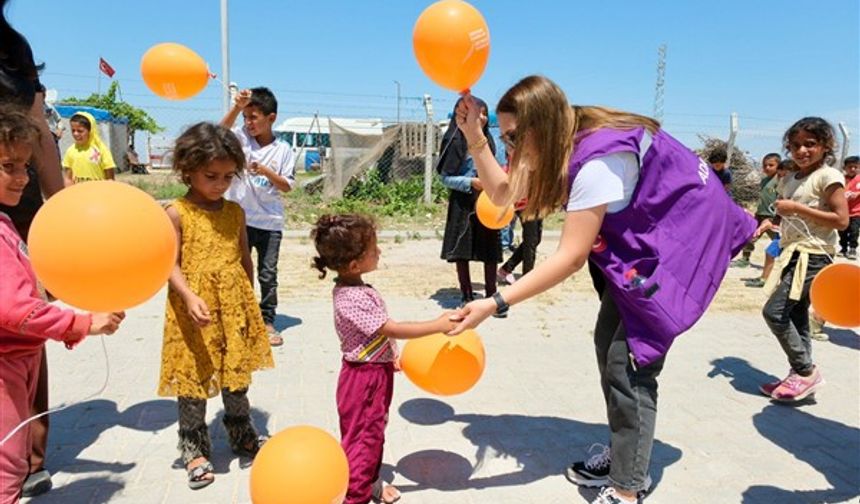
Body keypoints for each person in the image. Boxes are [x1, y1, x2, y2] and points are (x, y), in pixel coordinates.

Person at [449, 76, 755, 504]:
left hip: (677, 245)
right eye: (506, 136)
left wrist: (495, 301)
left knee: (631, 365)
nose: (512, 147)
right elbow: (503, 193)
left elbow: (570, 257)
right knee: (608, 348)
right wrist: (474, 137)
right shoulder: (563, 138)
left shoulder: (598, 160)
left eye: (516, 136)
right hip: (640, 251)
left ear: (545, 126)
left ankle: (628, 487)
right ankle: (624, 455)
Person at [0, 106, 125, 504]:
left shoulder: (3, 222)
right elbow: (15, 310)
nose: (22, 177)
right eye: (8, 166)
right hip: (4, 366)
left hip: (21, 360)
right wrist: (84, 323)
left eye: (25, 166)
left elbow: (23, 288)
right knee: (6, 464)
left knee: (14, 450)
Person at [158, 122, 274, 490]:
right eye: (211, 176)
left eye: (227, 176)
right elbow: (167, 262)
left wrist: (249, 301)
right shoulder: (176, 213)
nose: (220, 183)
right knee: (194, 375)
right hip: (192, 308)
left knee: (235, 374)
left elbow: (244, 259)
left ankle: (242, 434)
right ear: (187, 169)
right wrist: (190, 296)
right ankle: (193, 447)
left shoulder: (235, 212)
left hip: (233, 305)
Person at [311, 213, 456, 504]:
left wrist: (391, 355)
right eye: (374, 249)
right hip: (363, 379)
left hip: (374, 373)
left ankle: (371, 482)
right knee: (363, 438)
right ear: (354, 264)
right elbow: (392, 327)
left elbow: (378, 330)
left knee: (373, 432)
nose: (380, 252)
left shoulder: (358, 288)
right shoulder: (352, 298)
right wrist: (437, 325)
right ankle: (355, 496)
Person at [0, 2, 68, 496]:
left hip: (14, 201)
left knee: (22, 327)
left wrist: (58, 210)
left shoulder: (13, 50)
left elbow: (39, 130)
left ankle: (25, 457)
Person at [755, 117, 848, 402]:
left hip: (814, 255)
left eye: (810, 144)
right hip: (791, 253)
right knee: (795, 316)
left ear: (825, 146)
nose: (802, 151)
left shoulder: (828, 176)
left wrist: (796, 208)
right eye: (795, 145)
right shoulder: (791, 178)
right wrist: (770, 224)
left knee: (775, 312)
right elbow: (789, 217)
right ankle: (799, 376)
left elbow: (841, 220)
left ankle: (806, 371)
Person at [220, 87, 295, 346]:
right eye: (246, 117)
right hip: (239, 220)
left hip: (270, 223)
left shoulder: (284, 149)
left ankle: (267, 320)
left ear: (271, 118)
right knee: (238, 271)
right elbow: (219, 133)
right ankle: (240, 317)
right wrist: (236, 107)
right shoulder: (240, 138)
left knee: (267, 274)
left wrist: (265, 171)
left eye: (254, 117)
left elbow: (286, 186)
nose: (248, 123)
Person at [437, 96, 503, 308]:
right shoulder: (452, 140)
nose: (480, 117)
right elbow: (444, 177)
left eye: (484, 113)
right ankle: (466, 293)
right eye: (475, 113)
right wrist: (470, 183)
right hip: (462, 202)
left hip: (487, 201)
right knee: (461, 249)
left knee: (490, 247)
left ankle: (492, 293)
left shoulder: (490, 140)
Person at [497, 151, 543, 285]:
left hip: (535, 200)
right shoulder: (520, 153)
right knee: (531, 240)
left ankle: (506, 269)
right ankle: (528, 278)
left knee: (535, 239)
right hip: (525, 201)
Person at [745, 158, 791, 286]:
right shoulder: (781, 188)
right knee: (771, 251)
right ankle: (765, 279)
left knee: (776, 252)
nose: (782, 179)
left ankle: (769, 280)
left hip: (790, 230)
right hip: (777, 224)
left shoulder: (792, 190)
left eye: (784, 176)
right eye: (781, 176)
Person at [735, 153, 781, 270]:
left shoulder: (780, 181)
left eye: (771, 165)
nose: (767, 168)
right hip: (760, 214)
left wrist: (776, 215)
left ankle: (785, 261)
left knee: (778, 241)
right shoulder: (764, 181)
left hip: (772, 217)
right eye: (765, 165)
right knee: (751, 235)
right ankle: (745, 258)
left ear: (778, 166)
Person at [61, 111, 116, 184]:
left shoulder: (101, 150)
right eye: (73, 130)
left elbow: (110, 179)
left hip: (98, 193)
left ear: (91, 131)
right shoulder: (71, 151)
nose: (75, 134)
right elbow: (68, 179)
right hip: (78, 193)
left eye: (80, 131)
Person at [838, 155, 859, 259]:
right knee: (842, 231)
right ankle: (843, 248)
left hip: (856, 212)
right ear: (845, 168)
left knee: (854, 231)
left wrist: (857, 194)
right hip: (843, 212)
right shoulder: (841, 179)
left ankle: (853, 249)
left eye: (855, 167)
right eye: (850, 167)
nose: (853, 169)